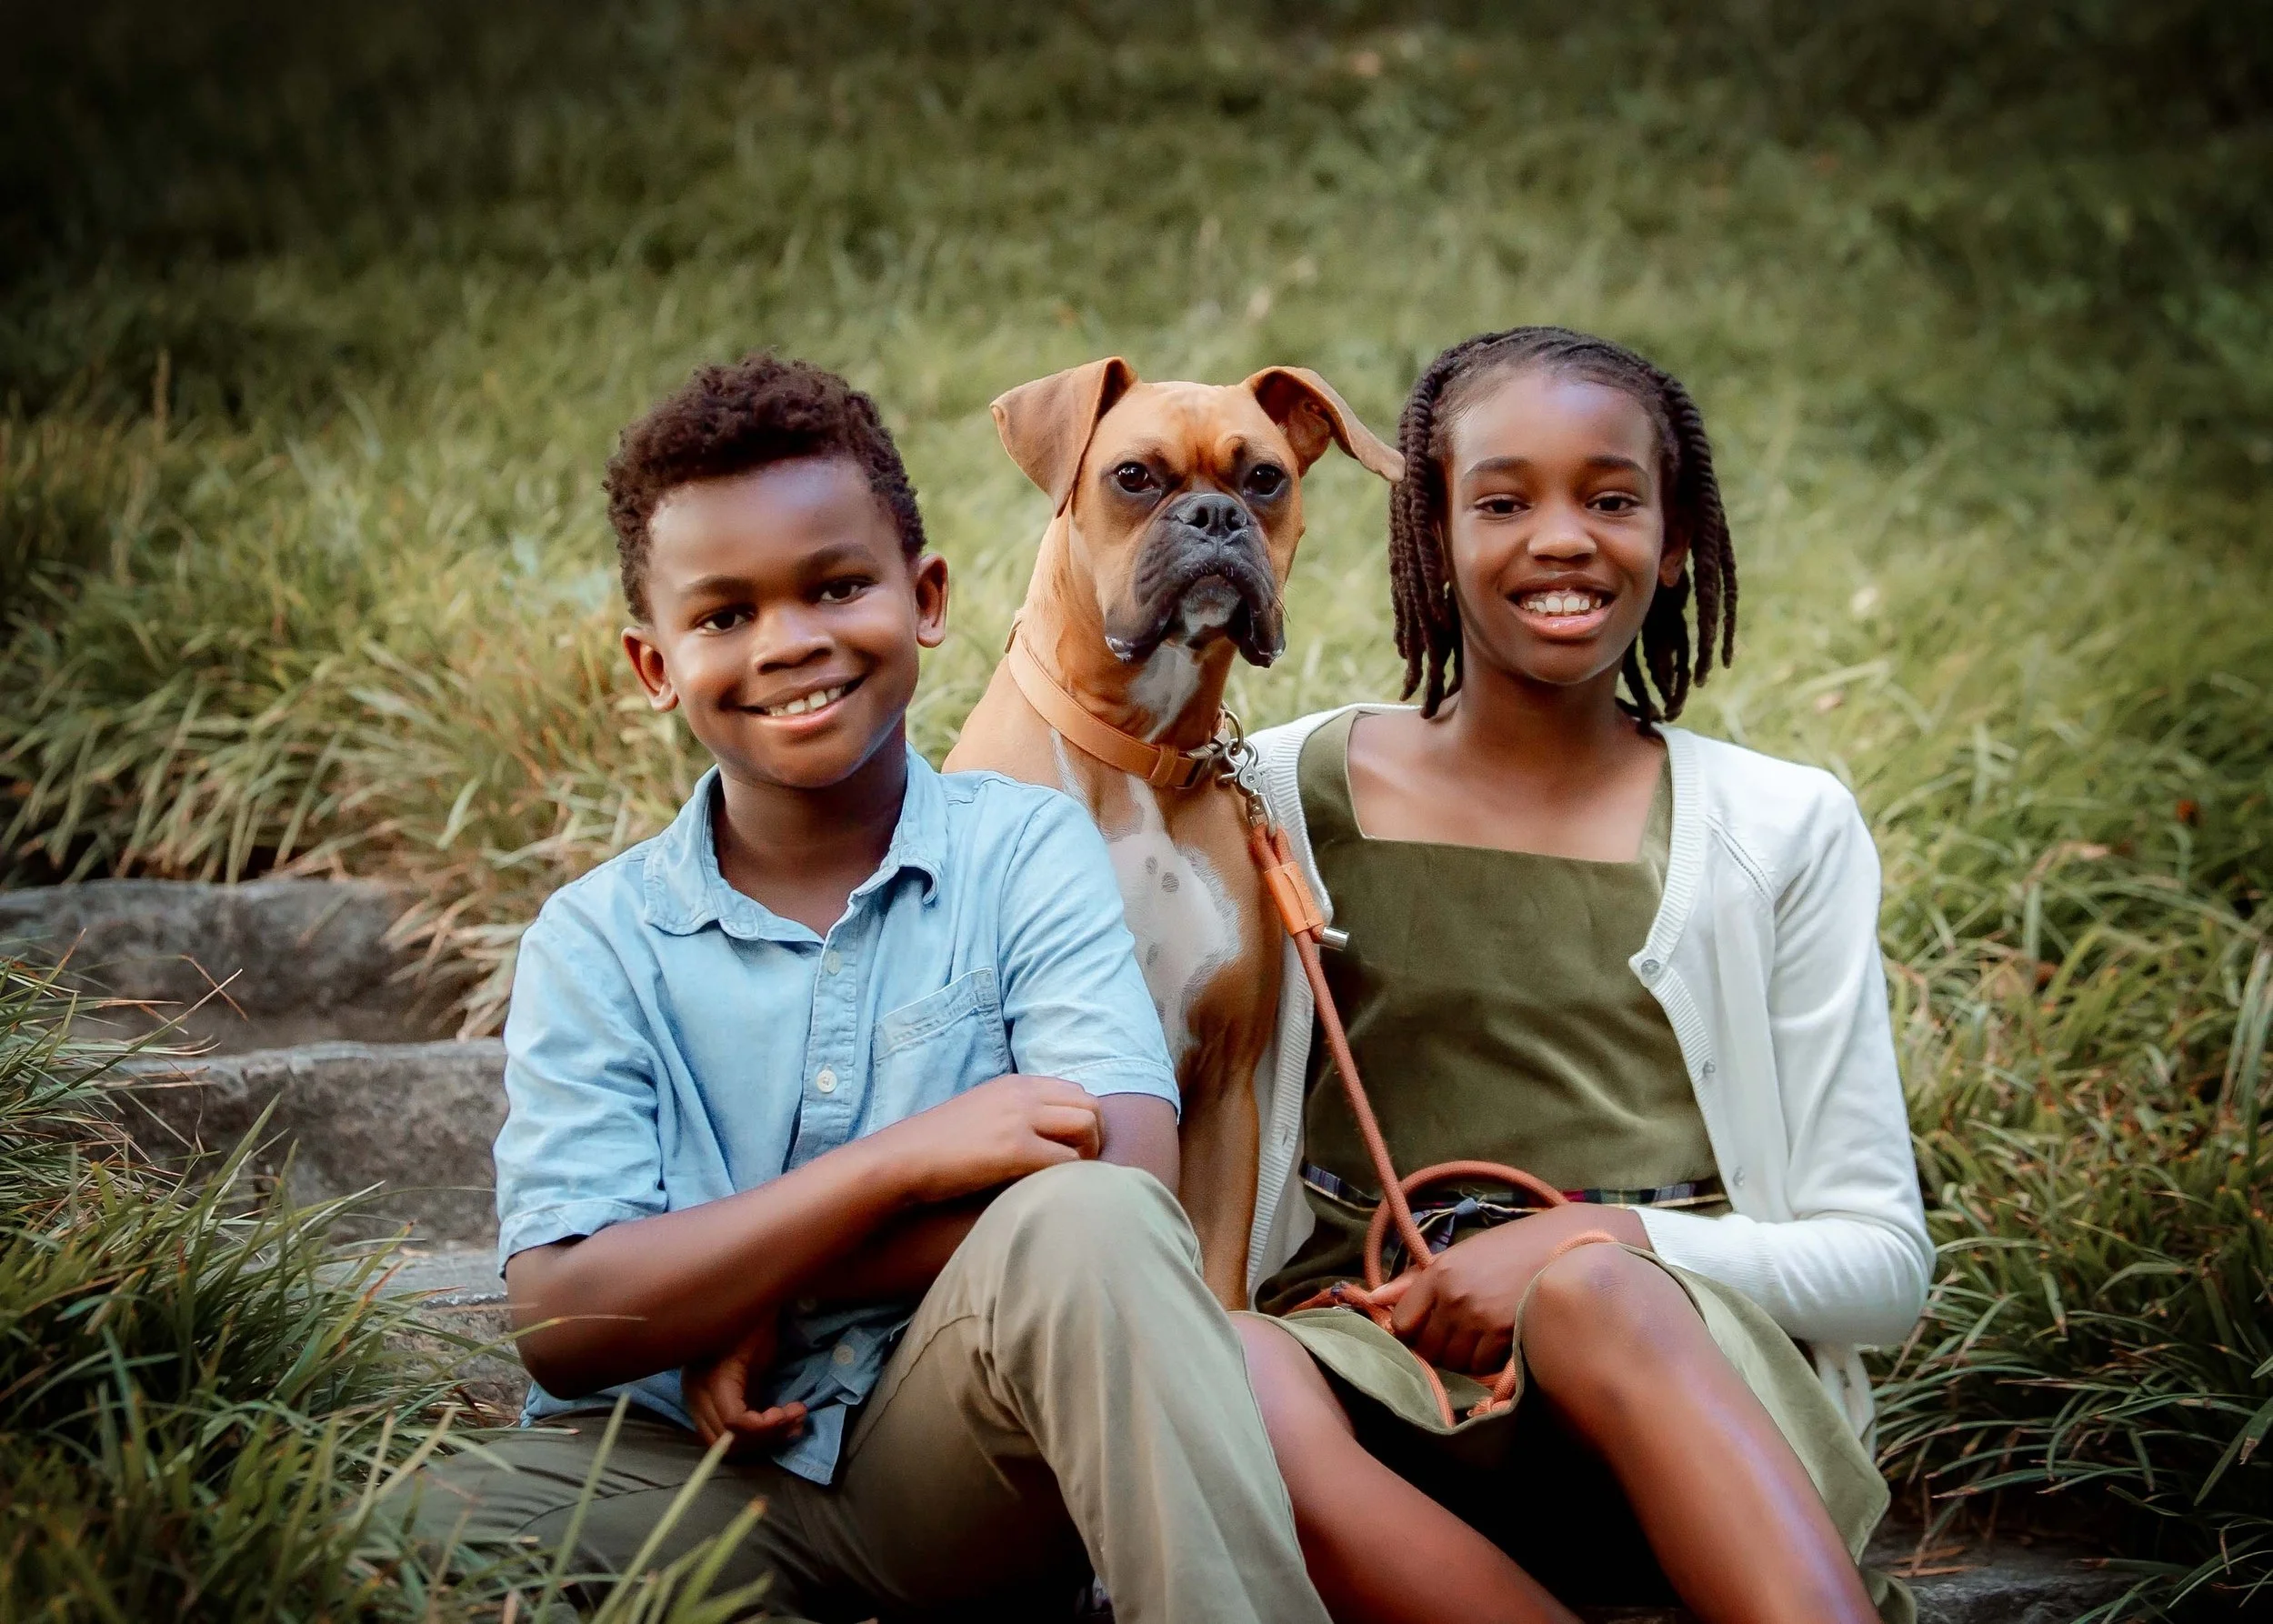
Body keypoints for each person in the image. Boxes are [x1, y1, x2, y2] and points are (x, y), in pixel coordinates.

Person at [391, 355, 1327, 1624]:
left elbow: (1127, 1175)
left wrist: (756, 1284)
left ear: (927, 596)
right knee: (385, 1527)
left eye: (837, 586)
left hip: (953, 1460)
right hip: (664, 1471)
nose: (791, 642)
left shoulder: (1028, 850)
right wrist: (902, 1164)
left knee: (1091, 1221)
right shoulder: (596, 938)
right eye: (724, 615)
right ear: (654, 663)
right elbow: (565, 1310)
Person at [1230, 327, 1932, 1624]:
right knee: (1226, 1371)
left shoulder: (1779, 826)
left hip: (1679, 1393)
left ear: (1673, 545)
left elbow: (1884, 1262)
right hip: (1373, 1399)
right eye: (1502, 501)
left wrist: (1587, 1239)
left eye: (1611, 499)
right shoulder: (1274, 795)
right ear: (1433, 537)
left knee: (1597, 1295)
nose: (1562, 537)